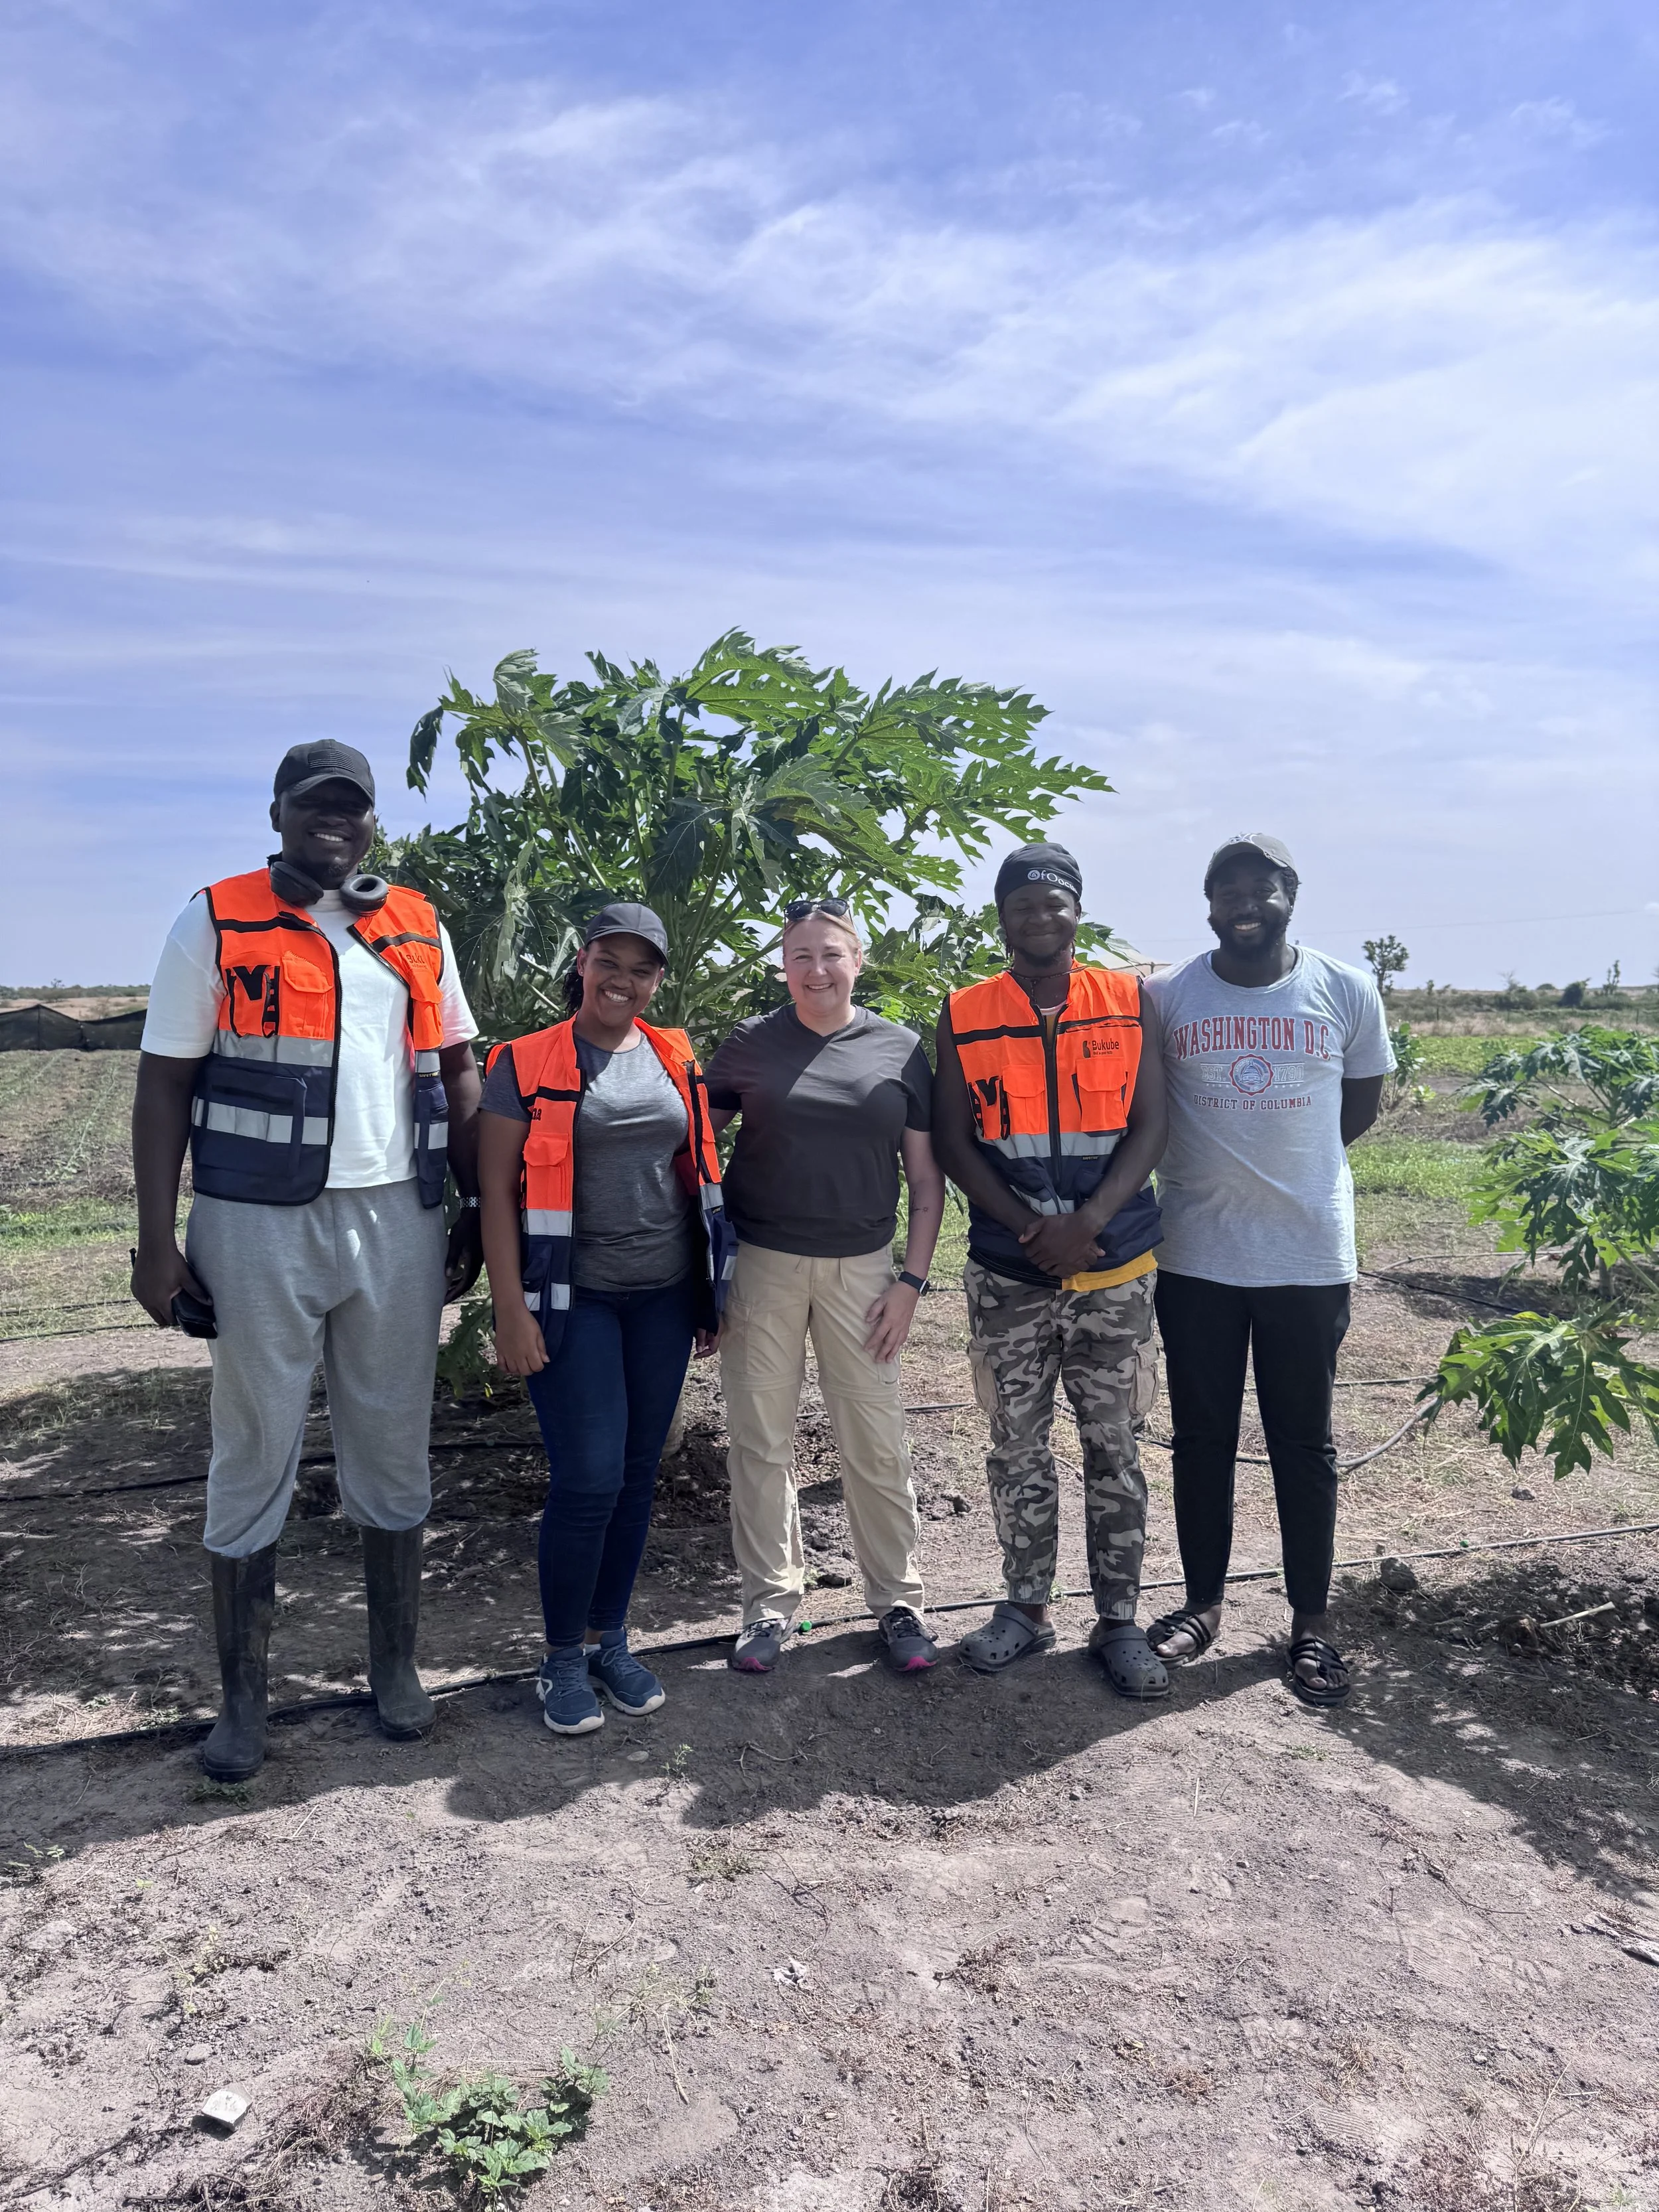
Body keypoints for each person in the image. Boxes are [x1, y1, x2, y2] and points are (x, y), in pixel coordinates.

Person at [130, 740, 483, 1781]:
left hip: (400, 1217)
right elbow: (162, 1085)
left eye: (353, 806)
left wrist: (474, 1205)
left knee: (393, 1438)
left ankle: (395, 1668)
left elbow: (459, 1067)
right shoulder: (216, 918)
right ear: (278, 813)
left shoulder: (416, 923)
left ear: (373, 822)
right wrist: (157, 1241)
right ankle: (244, 1702)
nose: (336, 820)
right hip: (254, 1222)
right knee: (253, 1444)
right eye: (315, 803)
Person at [1143, 834, 1393, 1706]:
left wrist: (1289, 1166)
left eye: (1262, 888)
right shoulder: (1167, 996)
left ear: (1290, 895)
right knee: (1200, 1437)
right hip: (1196, 1254)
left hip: (1306, 1253)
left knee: (1303, 1441)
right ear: (1208, 904)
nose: (1245, 903)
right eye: (1228, 890)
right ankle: (1202, 1604)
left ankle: (1310, 1621)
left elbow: (1357, 1107)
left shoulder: (1345, 989)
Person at [477, 903, 731, 1737]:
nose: (624, 980)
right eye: (609, 962)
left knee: (633, 1475)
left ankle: (608, 1640)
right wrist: (510, 1310)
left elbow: (692, 1173)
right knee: (587, 1479)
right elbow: (495, 1197)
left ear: (658, 980)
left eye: (642, 968)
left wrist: (708, 1294)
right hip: (571, 1298)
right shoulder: (522, 1061)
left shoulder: (674, 1054)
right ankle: (559, 1657)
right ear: (581, 963)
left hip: (661, 1296)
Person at [932, 843, 1171, 1695]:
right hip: (1010, 1273)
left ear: (1076, 911)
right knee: (1015, 1447)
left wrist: (1090, 1222)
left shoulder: (1128, 1000)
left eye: (1054, 902)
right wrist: (1031, 1228)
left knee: (1115, 1448)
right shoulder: (965, 1012)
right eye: (1022, 905)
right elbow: (954, 1140)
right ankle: (1025, 1608)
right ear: (1002, 918)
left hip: (1115, 1269)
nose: (1039, 917)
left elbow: (1151, 1123)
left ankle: (1120, 1621)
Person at [704, 899, 947, 1674]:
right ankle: (768, 1605)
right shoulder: (748, 1045)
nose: (817, 970)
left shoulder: (898, 1049)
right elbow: (696, 1149)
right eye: (800, 956)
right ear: (784, 966)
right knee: (760, 1442)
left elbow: (925, 1178)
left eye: (831, 954)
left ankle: (899, 1602)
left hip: (864, 1273)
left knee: (874, 1440)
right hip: (762, 1266)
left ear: (857, 960)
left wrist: (911, 1282)